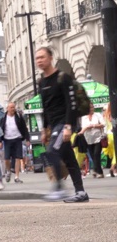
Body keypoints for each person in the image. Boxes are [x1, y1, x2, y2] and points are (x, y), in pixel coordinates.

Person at [36, 46, 88, 202]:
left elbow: (71, 104)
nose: (39, 61)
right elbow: (45, 107)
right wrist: (44, 129)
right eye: (37, 58)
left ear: (50, 58)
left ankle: (59, 188)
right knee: (69, 158)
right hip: (53, 125)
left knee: (52, 151)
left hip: (63, 123)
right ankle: (81, 192)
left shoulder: (62, 77)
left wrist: (68, 126)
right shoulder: (41, 82)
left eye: (42, 57)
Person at [0, 102, 31, 184]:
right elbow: (0, 130)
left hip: (17, 138)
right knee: (6, 158)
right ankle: (8, 171)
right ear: (7, 108)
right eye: (11, 107)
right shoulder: (3, 117)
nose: (13, 109)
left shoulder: (19, 117)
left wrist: (27, 139)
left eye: (14, 107)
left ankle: (17, 177)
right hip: (7, 139)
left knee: (18, 158)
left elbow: (24, 128)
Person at [79, 102, 106, 178]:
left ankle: (100, 172)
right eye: (90, 108)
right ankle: (95, 169)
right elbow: (83, 127)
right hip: (88, 139)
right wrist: (86, 128)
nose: (92, 109)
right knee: (92, 156)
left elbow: (103, 124)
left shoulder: (98, 115)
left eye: (92, 107)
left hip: (98, 138)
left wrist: (93, 125)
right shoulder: (83, 117)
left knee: (96, 154)